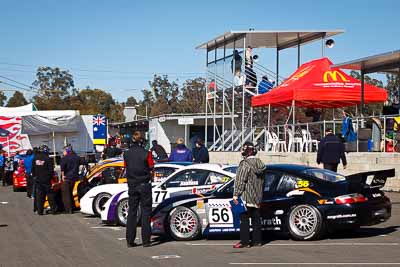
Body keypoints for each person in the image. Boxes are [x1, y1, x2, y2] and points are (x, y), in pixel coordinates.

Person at [232, 142, 266, 248]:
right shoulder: (261, 164)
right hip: (257, 197)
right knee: (256, 220)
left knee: (244, 219)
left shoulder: (245, 163)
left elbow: (241, 180)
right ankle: (257, 241)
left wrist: (236, 194)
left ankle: (245, 241)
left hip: (246, 196)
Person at [124, 131, 154, 248]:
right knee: (146, 212)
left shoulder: (126, 154)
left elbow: (126, 167)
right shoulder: (147, 153)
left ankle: (129, 240)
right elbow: (151, 167)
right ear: (142, 141)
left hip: (132, 184)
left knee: (132, 212)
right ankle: (146, 240)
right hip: (144, 184)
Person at [32, 145, 56, 215]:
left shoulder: (35, 158)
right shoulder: (48, 159)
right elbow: (51, 171)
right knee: (50, 195)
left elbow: (33, 170)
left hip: (38, 180)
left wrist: (35, 177)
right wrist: (50, 178)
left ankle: (40, 211)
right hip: (46, 180)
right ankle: (53, 210)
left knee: (40, 196)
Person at [60, 145, 81, 213]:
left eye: (64, 151)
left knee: (66, 195)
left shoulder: (64, 158)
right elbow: (84, 162)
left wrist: (63, 176)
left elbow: (62, 169)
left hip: (67, 178)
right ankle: (74, 206)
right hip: (75, 178)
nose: (63, 152)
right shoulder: (76, 157)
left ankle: (68, 209)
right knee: (73, 193)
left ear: (67, 151)